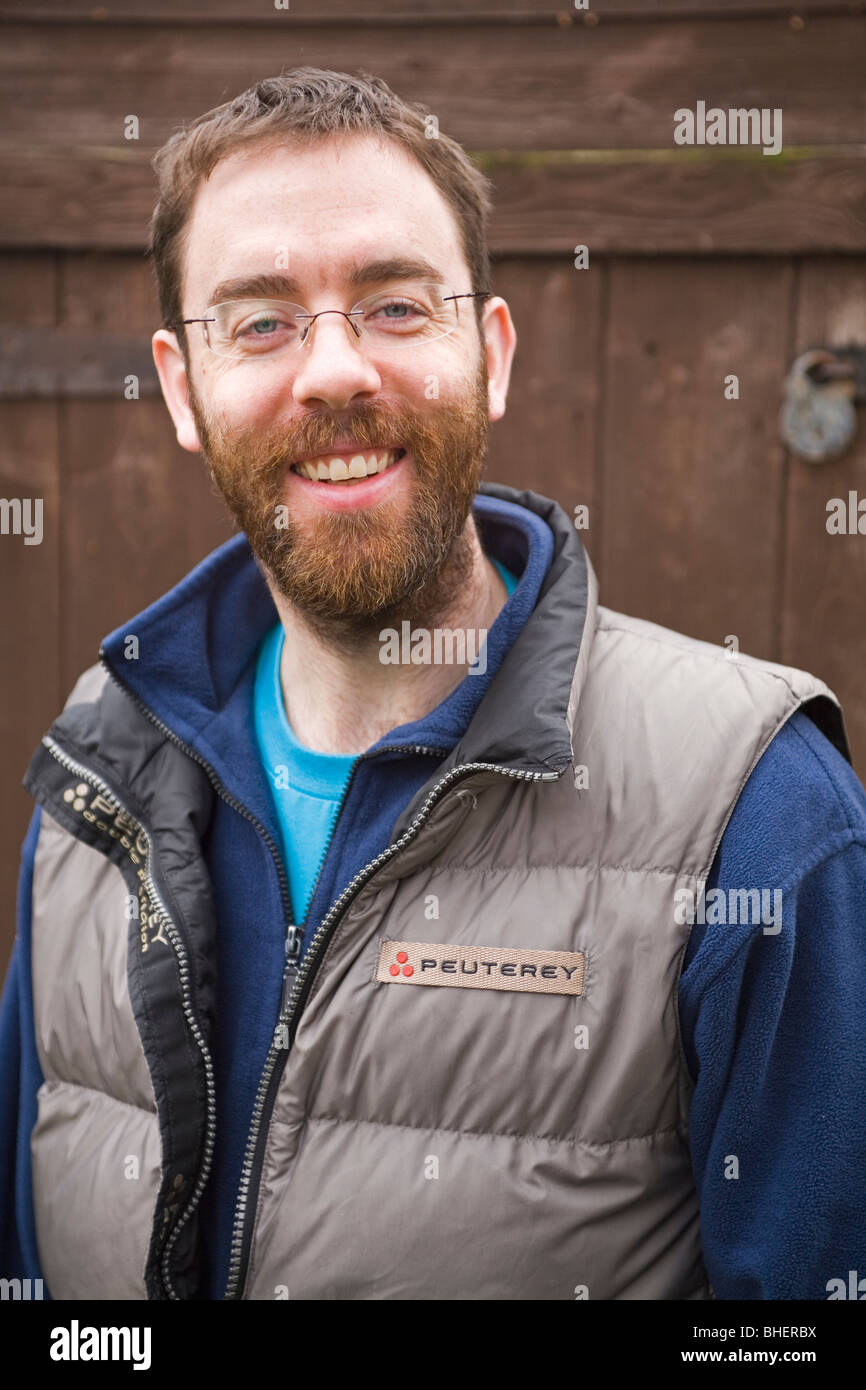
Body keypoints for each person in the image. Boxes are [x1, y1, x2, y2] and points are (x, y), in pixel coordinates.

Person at [1, 67, 865, 1303]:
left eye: (396, 305)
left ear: (491, 351)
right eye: (259, 321)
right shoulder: (98, 787)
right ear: (182, 388)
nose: (334, 371)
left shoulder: (759, 813)